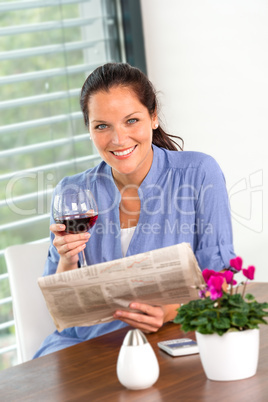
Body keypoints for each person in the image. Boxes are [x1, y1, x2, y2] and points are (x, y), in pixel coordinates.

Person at [34, 62, 235, 358]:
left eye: (131, 120)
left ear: (153, 117)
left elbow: (223, 284)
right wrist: (67, 259)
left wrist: (169, 311)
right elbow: (63, 314)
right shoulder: (71, 192)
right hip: (87, 349)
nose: (118, 139)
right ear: (89, 130)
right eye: (102, 126)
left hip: (172, 342)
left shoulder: (199, 174)